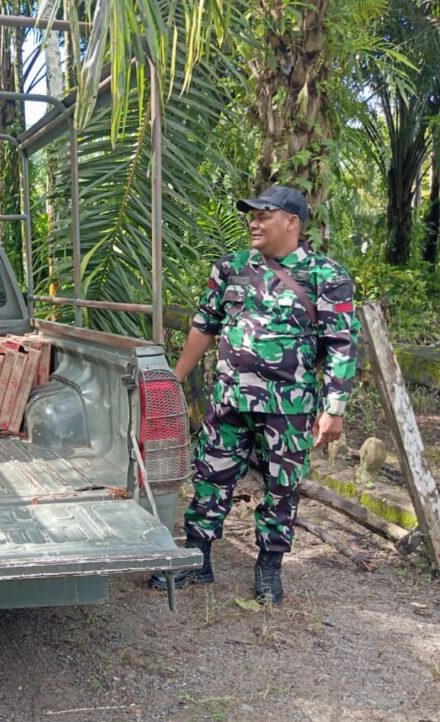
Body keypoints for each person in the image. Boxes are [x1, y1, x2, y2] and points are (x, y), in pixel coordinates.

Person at [152, 185, 359, 605]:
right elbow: (204, 326)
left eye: (264, 215)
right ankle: (197, 556)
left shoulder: (327, 277)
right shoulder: (230, 268)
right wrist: (174, 379)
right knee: (210, 476)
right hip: (230, 401)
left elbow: (341, 344)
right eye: (252, 214)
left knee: (283, 486)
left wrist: (333, 409)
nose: (253, 221)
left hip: (289, 407)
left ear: (292, 222)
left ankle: (269, 566)